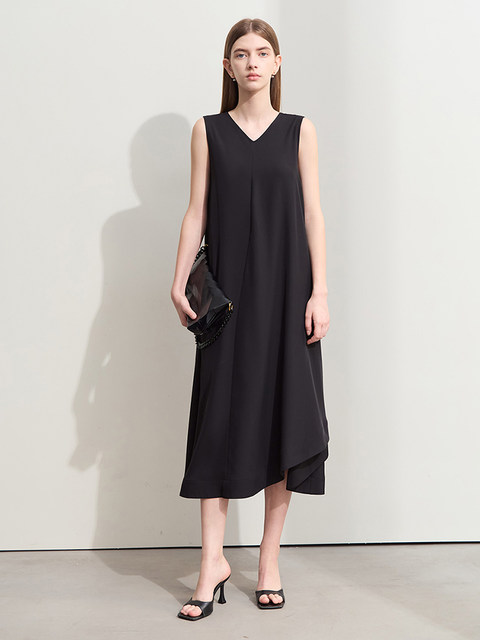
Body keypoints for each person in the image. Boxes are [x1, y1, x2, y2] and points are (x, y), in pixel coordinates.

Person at [170, 17, 330, 621]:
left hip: (288, 295)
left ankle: (268, 562)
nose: (253, 62)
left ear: (278, 63)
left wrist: (320, 291)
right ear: (228, 66)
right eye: (242, 54)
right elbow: (195, 212)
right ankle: (211, 561)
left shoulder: (300, 130)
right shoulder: (207, 130)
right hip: (228, 299)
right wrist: (178, 278)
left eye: (263, 52)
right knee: (217, 421)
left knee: (283, 419)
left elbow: (313, 213)